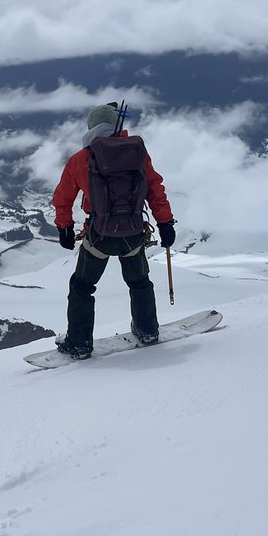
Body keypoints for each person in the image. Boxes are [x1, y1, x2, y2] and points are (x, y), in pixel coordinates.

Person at [51, 103, 176, 359]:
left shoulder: (81, 159)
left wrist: (64, 227)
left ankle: (79, 342)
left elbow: (63, 197)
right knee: (139, 282)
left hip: (100, 235)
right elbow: (155, 189)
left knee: (82, 286)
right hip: (133, 233)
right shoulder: (137, 154)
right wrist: (165, 222)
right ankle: (147, 330)